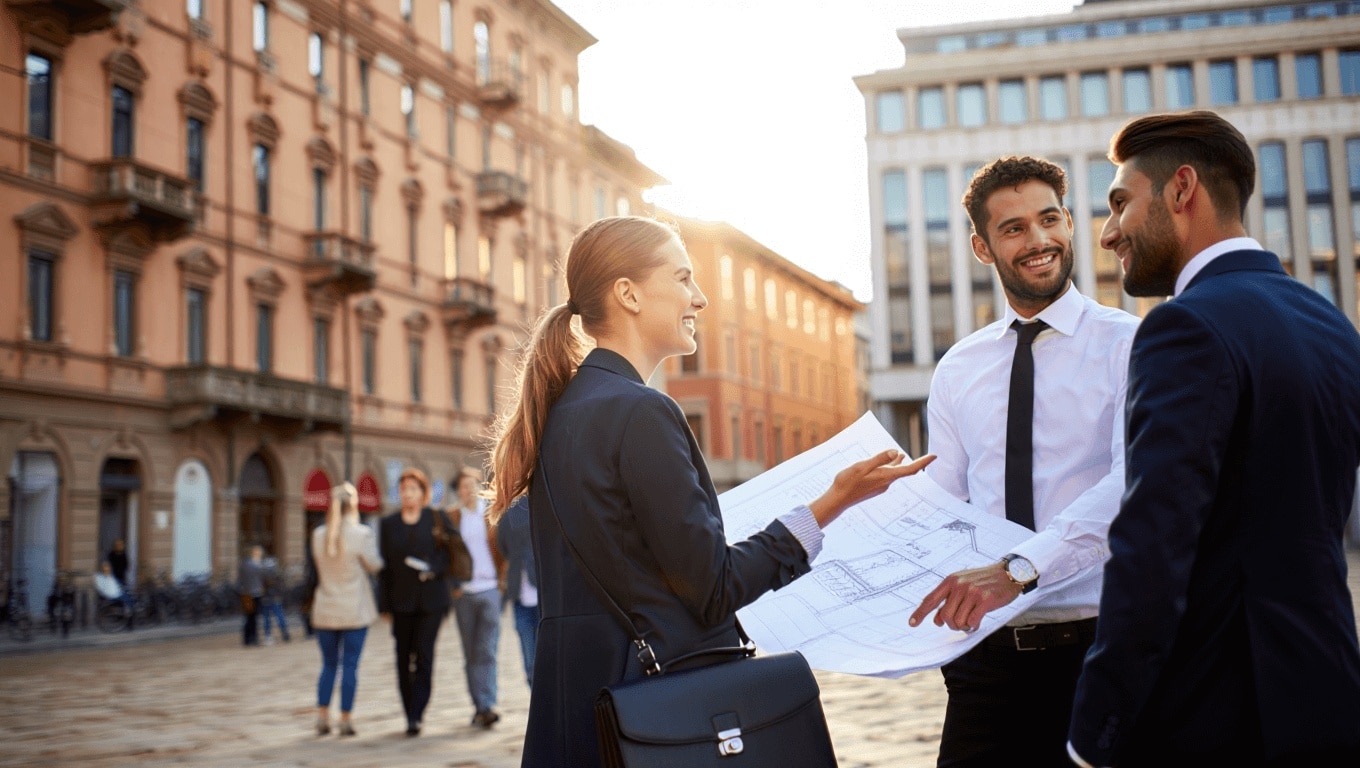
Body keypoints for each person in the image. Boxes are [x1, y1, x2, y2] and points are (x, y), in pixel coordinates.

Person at [484, 215, 935, 767]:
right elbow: (713, 588)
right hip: (648, 713)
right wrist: (832, 502)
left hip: (577, 709)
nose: (699, 298)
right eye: (682, 278)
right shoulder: (641, 411)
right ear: (627, 294)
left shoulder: (562, 413)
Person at [1068, 111, 1360, 766]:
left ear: (1181, 190)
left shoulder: (1185, 327)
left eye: (1120, 203)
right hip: (1329, 696)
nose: (1109, 232)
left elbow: (1151, 545)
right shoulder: (1332, 326)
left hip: (1214, 721)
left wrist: (1097, 730)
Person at [903, 156, 1139, 767]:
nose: (1038, 241)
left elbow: (1132, 484)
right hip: (988, 664)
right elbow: (945, 502)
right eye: (1013, 228)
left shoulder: (1130, 344)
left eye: (1049, 219)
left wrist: (1020, 567)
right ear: (983, 247)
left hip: (1099, 649)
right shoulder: (959, 366)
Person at [377, 468, 453, 737]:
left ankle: (417, 714)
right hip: (400, 602)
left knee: (424, 656)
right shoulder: (388, 525)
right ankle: (408, 710)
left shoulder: (437, 518)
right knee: (402, 658)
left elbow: (451, 553)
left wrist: (434, 567)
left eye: (413, 489)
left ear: (423, 493)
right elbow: (383, 568)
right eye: (403, 489)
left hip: (432, 601)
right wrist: (383, 605)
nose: (407, 494)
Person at [311, 482, 384, 737]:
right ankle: (345, 718)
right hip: (353, 609)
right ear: (353, 505)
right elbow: (374, 565)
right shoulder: (361, 534)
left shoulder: (318, 534)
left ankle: (322, 716)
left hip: (325, 608)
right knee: (350, 666)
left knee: (328, 665)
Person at [448, 471, 506, 729]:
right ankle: (478, 705)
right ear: (459, 490)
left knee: (487, 650)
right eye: (463, 487)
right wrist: (453, 586)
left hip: (491, 589)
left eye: (472, 485)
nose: (468, 490)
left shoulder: (492, 514)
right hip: (465, 593)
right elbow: (445, 554)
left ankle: (487, 704)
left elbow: (505, 548)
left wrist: (502, 582)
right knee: (470, 652)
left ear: (479, 487)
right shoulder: (452, 517)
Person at [495, 494, 537, 686]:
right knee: (533, 657)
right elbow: (502, 546)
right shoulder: (513, 513)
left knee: (531, 658)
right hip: (520, 597)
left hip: (542, 596)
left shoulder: (509, 514)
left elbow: (502, 548)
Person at [259, 550, 291, 645]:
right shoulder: (276, 574)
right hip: (275, 598)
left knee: (267, 618)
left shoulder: (263, 574)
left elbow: (261, 587)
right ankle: (284, 633)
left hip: (266, 599)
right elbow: (281, 586)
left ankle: (268, 635)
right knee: (279, 615)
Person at [238, 545, 266, 646]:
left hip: (249, 593)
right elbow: (261, 575)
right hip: (252, 593)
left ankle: (249, 638)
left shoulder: (245, 564)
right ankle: (251, 638)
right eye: (258, 552)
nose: (260, 553)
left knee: (251, 617)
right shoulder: (252, 564)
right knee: (251, 617)